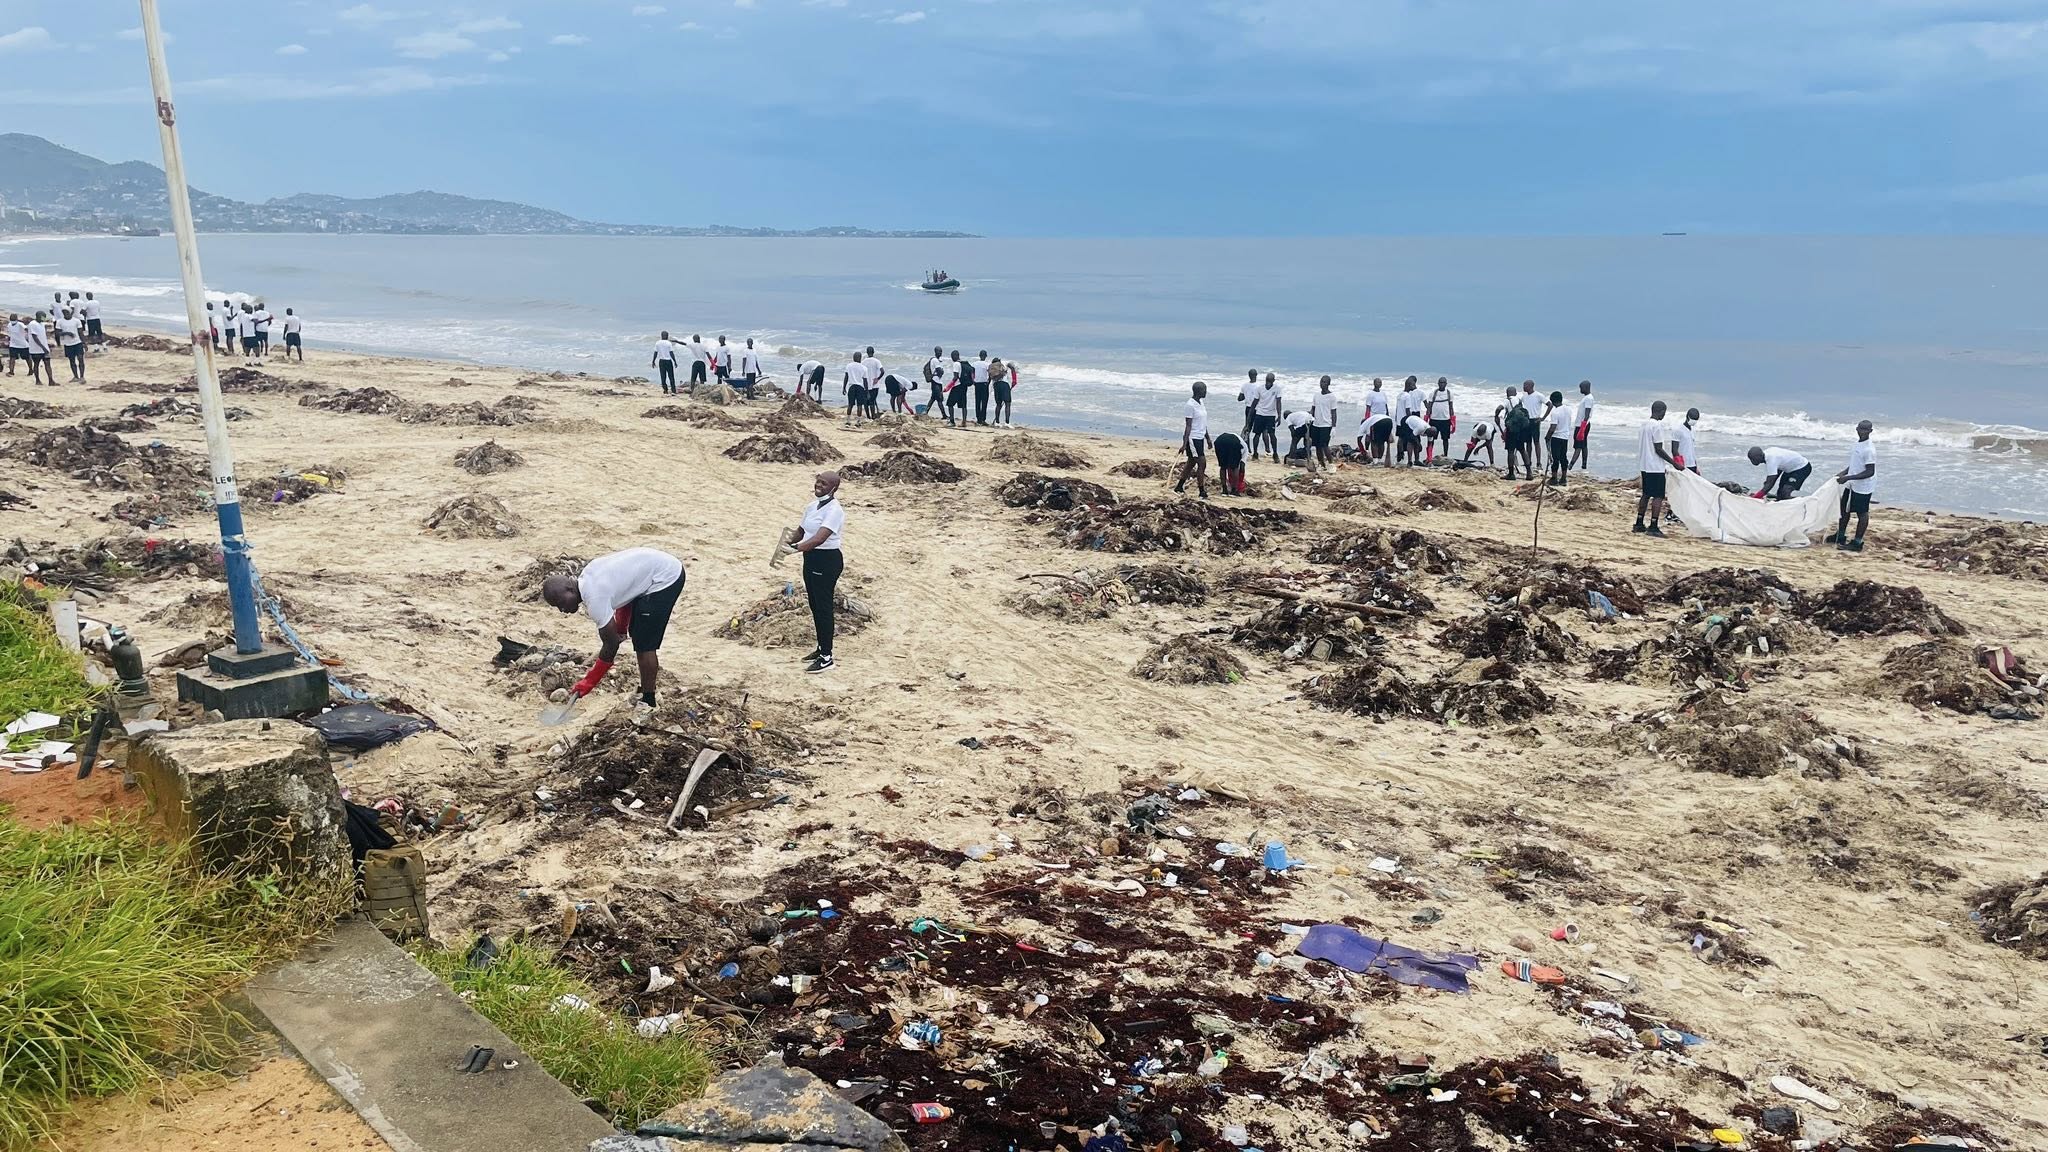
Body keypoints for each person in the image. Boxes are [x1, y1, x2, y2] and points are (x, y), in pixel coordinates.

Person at [541, 547, 686, 721]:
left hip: (665, 578)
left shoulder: (594, 598)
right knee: (639, 633)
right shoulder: (588, 574)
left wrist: (590, 681)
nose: (562, 610)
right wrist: (621, 628)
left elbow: (611, 645)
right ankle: (645, 693)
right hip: (655, 568)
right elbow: (626, 592)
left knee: (644, 645)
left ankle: (649, 702)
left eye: (560, 602)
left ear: (570, 589)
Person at [792, 471, 846, 673]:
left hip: (826, 560)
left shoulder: (835, 510)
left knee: (823, 607)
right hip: (810, 558)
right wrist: (786, 542)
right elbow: (801, 532)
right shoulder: (811, 506)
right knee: (814, 605)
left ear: (834, 488)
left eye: (824, 483)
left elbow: (819, 539)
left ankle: (827, 657)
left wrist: (796, 548)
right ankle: (821, 647)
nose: (819, 485)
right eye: (818, 481)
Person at [1828, 421, 1877, 552]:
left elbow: (1869, 471)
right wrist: (1844, 472)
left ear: (1870, 431)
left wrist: (1848, 477)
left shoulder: (1869, 449)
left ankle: (1857, 542)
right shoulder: (1858, 444)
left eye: (1865, 430)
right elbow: (1856, 464)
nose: (1862, 432)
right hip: (1852, 483)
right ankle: (1840, 535)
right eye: (1860, 429)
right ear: (1856, 429)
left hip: (1863, 486)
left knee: (1862, 513)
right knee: (1844, 509)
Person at [1634, 401, 1678, 537]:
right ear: (1660, 411)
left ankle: (1639, 523)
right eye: (1664, 412)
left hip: (1644, 465)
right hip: (1655, 467)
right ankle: (1653, 526)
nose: (1664, 415)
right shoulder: (1657, 426)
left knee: (1646, 494)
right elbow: (1658, 449)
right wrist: (1673, 462)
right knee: (1658, 496)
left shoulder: (1644, 425)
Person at [1175, 380, 1210, 498]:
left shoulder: (1201, 402)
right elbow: (1188, 426)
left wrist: (1208, 438)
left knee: (1191, 463)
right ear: (1198, 391)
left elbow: (1203, 423)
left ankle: (1179, 486)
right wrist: (1184, 444)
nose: (1206, 392)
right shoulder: (1190, 405)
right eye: (1204, 390)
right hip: (1193, 439)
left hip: (1200, 437)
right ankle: (1201, 491)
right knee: (1202, 463)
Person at [1748, 445, 1813, 500]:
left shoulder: (1771, 460)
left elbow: (1770, 483)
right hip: (1789, 469)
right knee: (1780, 495)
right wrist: (1764, 488)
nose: (1752, 461)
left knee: (1785, 494)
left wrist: (1756, 497)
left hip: (1802, 468)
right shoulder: (1767, 455)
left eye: (1753, 459)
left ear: (1759, 457)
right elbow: (1775, 474)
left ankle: (1805, 501)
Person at [1252, 372, 1282, 463]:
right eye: (1267, 381)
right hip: (1260, 414)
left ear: (1273, 381)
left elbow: (1278, 402)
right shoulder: (1259, 389)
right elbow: (1255, 402)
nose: (1268, 383)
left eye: (1270, 381)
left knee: (1272, 434)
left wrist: (1279, 415)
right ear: (1265, 380)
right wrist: (1250, 415)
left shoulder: (1277, 389)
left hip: (1271, 415)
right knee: (1257, 434)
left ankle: (1275, 454)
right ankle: (1255, 453)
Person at [1542, 389, 1570, 485]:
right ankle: (1563, 478)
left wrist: (1547, 436)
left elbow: (1553, 427)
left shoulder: (1555, 412)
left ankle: (1554, 478)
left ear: (1553, 401)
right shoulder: (1568, 409)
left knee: (1555, 458)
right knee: (1563, 457)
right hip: (1565, 437)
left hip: (1556, 437)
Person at [1309, 375, 1337, 470]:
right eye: (1321, 381)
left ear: (1328, 383)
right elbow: (1313, 408)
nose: (1322, 384)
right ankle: (1321, 464)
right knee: (1317, 446)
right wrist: (1310, 417)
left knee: (1324, 445)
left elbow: (1333, 412)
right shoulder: (1316, 395)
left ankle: (1331, 464)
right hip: (1316, 424)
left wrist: (1333, 427)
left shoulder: (1332, 397)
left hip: (1326, 424)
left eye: (1325, 382)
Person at [1361, 378, 1393, 463]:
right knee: (1374, 441)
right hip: (1374, 420)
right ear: (1374, 383)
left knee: (1382, 441)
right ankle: (1375, 460)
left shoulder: (1383, 394)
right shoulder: (1371, 395)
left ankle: (1379, 459)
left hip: (1384, 419)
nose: (1379, 383)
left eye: (1380, 382)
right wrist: (1367, 420)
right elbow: (1368, 408)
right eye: (1378, 382)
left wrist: (1388, 417)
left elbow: (1386, 407)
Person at [1424, 376, 1455, 460]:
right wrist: (1426, 419)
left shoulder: (1449, 393)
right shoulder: (1433, 393)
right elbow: (1429, 407)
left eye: (1443, 383)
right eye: (1440, 383)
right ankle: (1429, 456)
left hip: (1445, 420)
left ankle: (1445, 455)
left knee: (1445, 439)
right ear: (1438, 384)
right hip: (1434, 419)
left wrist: (1453, 421)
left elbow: (1451, 407)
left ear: (1446, 384)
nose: (1442, 384)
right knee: (1431, 439)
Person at [1214, 426, 1247, 496]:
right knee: (1234, 467)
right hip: (1233, 443)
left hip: (1219, 441)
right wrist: (1240, 480)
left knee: (1223, 467)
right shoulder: (1244, 448)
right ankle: (1234, 490)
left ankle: (1224, 489)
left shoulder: (1240, 440)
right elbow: (1242, 467)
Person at [22, 311, 54, 385]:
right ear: (38, 316)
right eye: (43, 317)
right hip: (35, 349)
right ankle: (37, 380)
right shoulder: (33, 324)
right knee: (36, 364)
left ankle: (51, 380)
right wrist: (43, 347)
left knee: (47, 364)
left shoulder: (42, 324)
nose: (44, 318)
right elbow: (35, 337)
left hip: (44, 348)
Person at [1569, 381, 1594, 470]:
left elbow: (1587, 414)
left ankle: (1570, 465)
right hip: (1584, 424)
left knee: (1578, 446)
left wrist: (1582, 428)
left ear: (1586, 387)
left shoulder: (1588, 399)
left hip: (1582, 425)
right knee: (1584, 445)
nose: (1580, 389)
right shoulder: (1587, 398)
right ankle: (1584, 464)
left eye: (1581, 388)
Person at [55, 307, 85, 383]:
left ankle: (82, 376)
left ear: (71, 313)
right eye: (64, 312)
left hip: (77, 343)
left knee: (80, 359)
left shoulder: (76, 321)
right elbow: (57, 333)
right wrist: (67, 333)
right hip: (68, 344)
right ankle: (75, 376)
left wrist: (84, 343)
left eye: (67, 312)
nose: (65, 314)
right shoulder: (59, 322)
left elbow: (80, 332)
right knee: (72, 361)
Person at [841, 352, 868, 426]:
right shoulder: (864, 368)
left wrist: (844, 387)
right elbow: (865, 381)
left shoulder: (849, 366)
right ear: (860, 358)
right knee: (859, 405)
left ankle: (848, 421)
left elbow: (846, 377)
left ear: (853, 358)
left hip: (851, 386)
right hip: (860, 387)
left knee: (850, 404)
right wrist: (867, 391)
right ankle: (858, 421)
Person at [945, 350, 969, 426]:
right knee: (964, 405)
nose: (952, 358)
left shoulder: (956, 364)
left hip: (957, 386)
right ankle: (964, 421)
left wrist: (948, 387)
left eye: (952, 356)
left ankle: (952, 421)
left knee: (950, 404)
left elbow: (956, 377)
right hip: (964, 386)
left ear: (955, 356)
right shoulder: (963, 364)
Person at [1672, 407, 1699, 473]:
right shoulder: (1678, 430)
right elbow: (1674, 450)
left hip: (1692, 464)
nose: (1694, 421)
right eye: (1692, 419)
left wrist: (1696, 466)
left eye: (1696, 420)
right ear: (1687, 417)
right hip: (1683, 465)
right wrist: (1680, 464)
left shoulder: (1692, 431)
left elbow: (1692, 450)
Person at [923, 345, 947, 418]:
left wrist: (941, 371)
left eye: (941, 351)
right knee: (939, 399)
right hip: (936, 381)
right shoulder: (935, 360)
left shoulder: (937, 360)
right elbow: (940, 371)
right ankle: (944, 415)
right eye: (939, 351)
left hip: (936, 381)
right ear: (935, 352)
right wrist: (942, 371)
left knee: (933, 398)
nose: (940, 353)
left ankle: (925, 412)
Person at [990, 357, 1014, 426]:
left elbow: (989, 379)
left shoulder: (992, 369)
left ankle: (997, 422)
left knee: (998, 404)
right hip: (1004, 385)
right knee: (1007, 404)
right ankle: (1007, 422)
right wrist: (1014, 380)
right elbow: (1012, 367)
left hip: (996, 386)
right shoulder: (1003, 366)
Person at [1238, 368, 1260, 441]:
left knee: (1248, 427)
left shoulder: (1245, 385)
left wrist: (1247, 395)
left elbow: (1240, 398)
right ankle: (1257, 449)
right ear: (1256, 375)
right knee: (1259, 429)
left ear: (1249, 375)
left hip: (1248, 408)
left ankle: (1247, 445)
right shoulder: (1259, 386)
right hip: (1257, 409)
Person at [971, 350, 993, 425]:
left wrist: (973, 380)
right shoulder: (987, 364)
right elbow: (990, 374)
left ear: (979, 356)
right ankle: (983, 419)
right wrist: (989, 381)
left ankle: (978, 419)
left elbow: (972, 372)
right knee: (984, 402)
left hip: (977, 384)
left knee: (977, 401)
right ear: (985, 356)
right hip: (984, 384)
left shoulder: (975, 363)